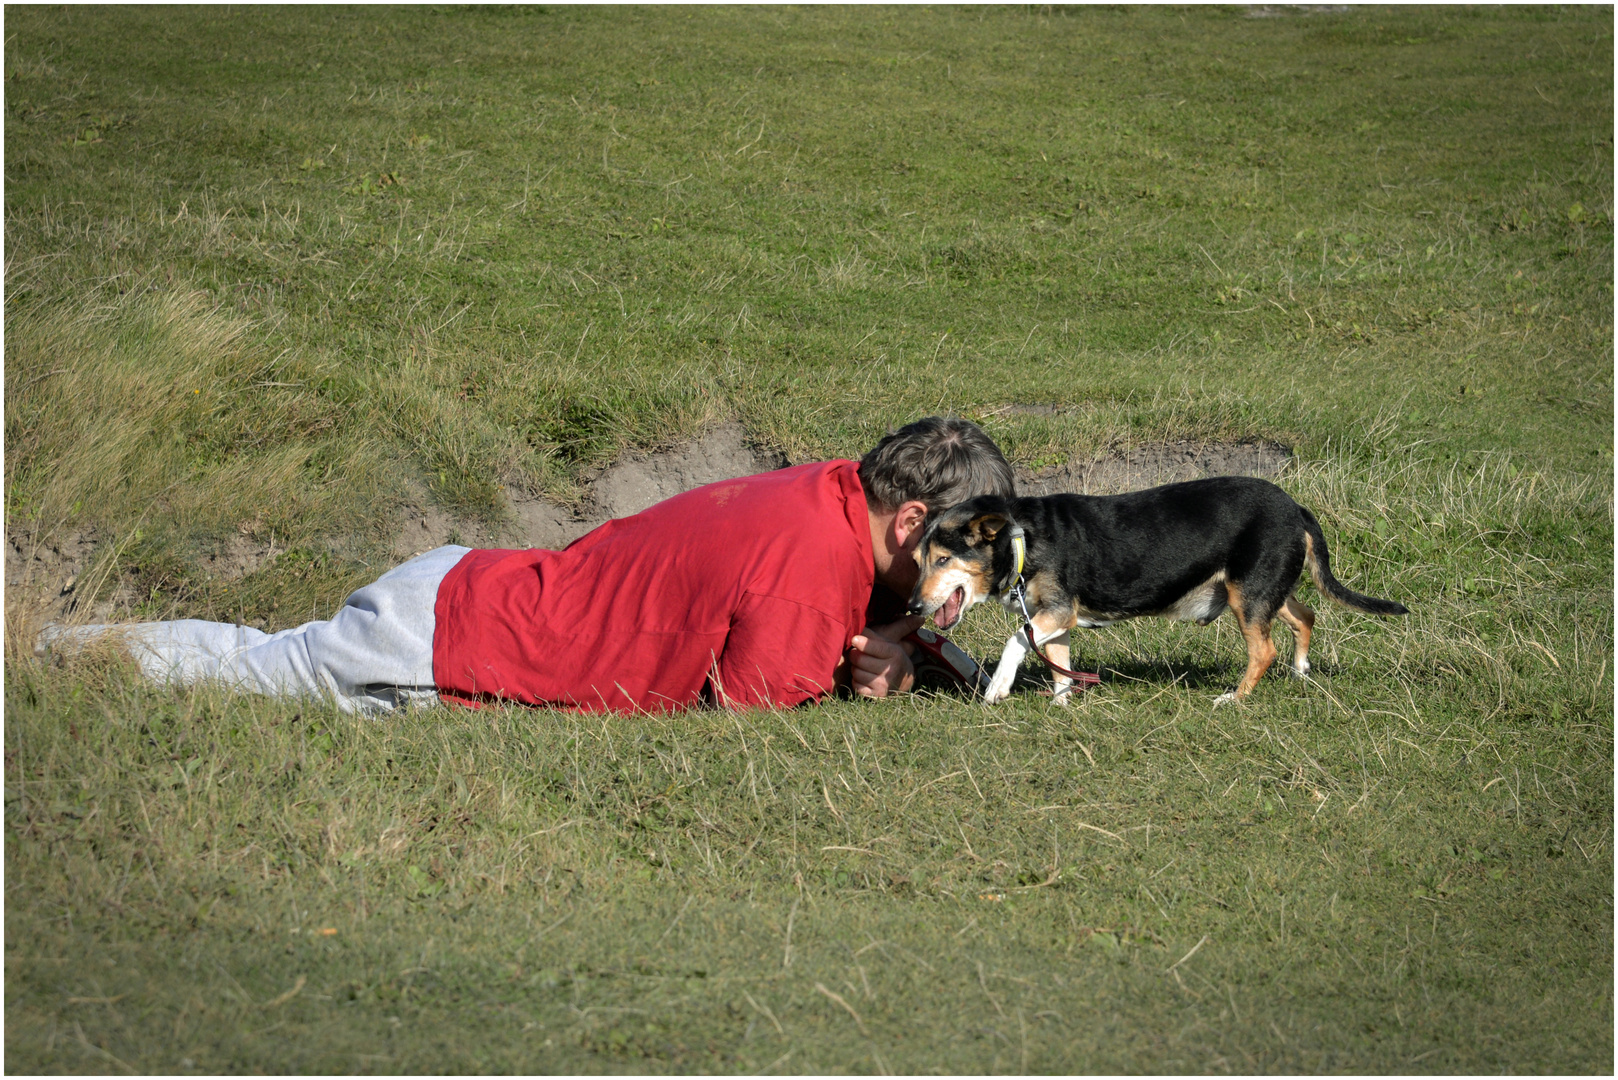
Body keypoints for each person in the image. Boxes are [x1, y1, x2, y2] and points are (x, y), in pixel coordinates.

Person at [40, 417, 1016, 714]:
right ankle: (51, 650)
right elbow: (748, 726)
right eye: (960, 555)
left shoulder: (829, 493)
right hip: (447, 645)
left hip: (469, 592)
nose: (960, 584)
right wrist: (869, 685)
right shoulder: (810, 568)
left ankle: (61, 647)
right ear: (912, 521)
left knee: (261, 661)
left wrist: (898, 640)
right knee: (247, 678)